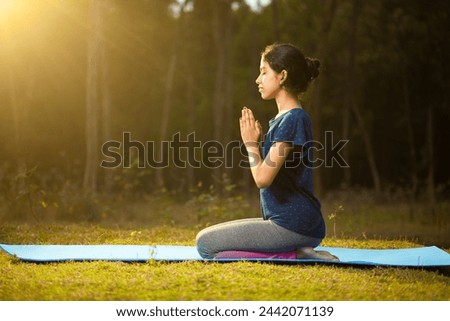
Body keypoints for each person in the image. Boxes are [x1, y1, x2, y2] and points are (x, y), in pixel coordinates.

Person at [196, 43, 338, 261]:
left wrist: (251, 144)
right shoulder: (285, 120)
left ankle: (295, 254)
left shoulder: (293, 119)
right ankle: (295, 251)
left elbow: (263, 179)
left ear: (282, 76)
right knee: (206, 240)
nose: (258, 79)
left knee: (206, 245)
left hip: (294, 225)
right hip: (291, 223)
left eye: (264, 72)